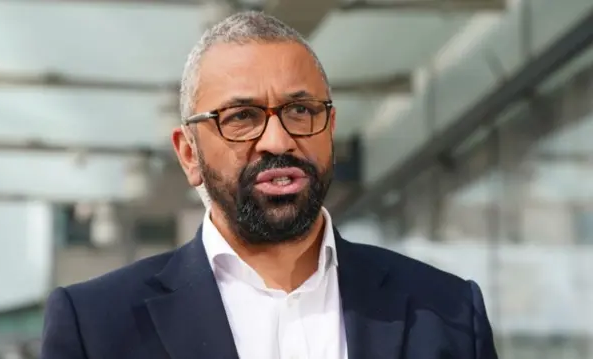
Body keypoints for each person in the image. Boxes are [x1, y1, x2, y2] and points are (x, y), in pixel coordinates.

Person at [41, 11, 498, 359]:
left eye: (300, 111)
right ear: (188, 154)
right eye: (242, 117)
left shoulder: (449, 313)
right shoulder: (98, 327)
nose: (278, 139)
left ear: (330, 129)